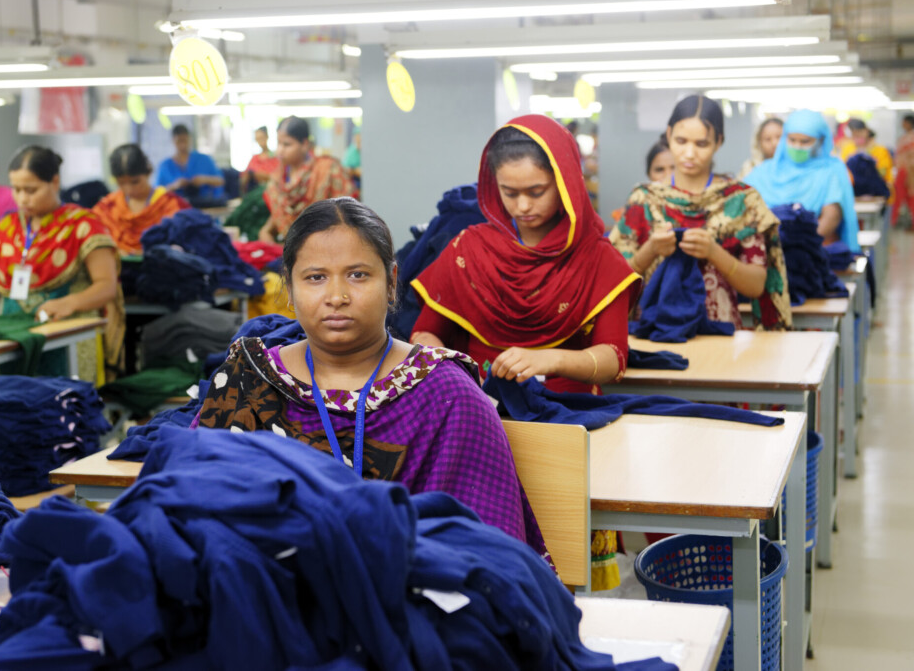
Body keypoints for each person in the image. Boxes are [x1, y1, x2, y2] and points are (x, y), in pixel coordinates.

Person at [195, 196, 541, 551]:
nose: (337, 296)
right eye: (315, 278)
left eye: (358, 275)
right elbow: (193, 512)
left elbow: (491, 554)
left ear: (392, 282)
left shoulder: (448, 394)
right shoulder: (248, 381)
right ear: (289, 286)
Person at [409, 114, 639, 590]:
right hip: (480, 425)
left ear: (567, 183)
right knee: (491, 565)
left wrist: (550, 358)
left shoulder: (597, 258)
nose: (522, 205)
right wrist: (458, 371)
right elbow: (424, 336)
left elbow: (614, 358)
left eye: (536, 190)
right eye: (509, 192)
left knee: (565, 568)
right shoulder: (468, 247)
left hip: (569, 430)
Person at [0, 146, 120, 378]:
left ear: (55, 182)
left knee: (66, 407)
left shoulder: (83, 226)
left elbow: (106, 285)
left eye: (31, 190)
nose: (22, 198)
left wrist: (71, 302)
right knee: (12, 405)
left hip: (68, 338)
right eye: (17, 189)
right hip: (12, 341)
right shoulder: (5, 228)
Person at [610, 95, 792, 331]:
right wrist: (650, 251)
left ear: (719, 142)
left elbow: (757, 285)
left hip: (719, 336)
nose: (689, 153)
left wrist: (714, 253)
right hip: (654, 335)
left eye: (701, 144)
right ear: (668, 135)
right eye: (681, 140)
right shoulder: (643, 201)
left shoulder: (741, 201)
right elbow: (614, 281)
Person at [745, 109, 861, 253]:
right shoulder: (765, 171)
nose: (797, 146)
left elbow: (832, 216)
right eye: (792, 140)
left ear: (820, 140)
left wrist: (799, 246)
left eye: (805, 141)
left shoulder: (831, 171)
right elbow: (744, 206)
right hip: (767, 250)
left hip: (812, 251)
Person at [259, 116, 353, 242]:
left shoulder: (327, 170)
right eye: (278, 143)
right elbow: (270, 227)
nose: (280, 150)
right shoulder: (277, 180)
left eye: (286, 144)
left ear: (305, 144)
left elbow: (346, 218)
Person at [92, 144, 188, 255]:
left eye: (135, 182)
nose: (129, 190)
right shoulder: (108, 207)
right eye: (121, 183)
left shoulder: (171, 205)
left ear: (148, 173)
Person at [155, 124, 226, 205]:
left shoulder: (204, 159)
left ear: (190, 139)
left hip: (204, 205)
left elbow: (220, 181)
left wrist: (205, 179)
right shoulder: (164, 166)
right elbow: (156, 193)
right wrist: (174, 186)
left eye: (185, 140)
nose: (183, 145)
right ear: (173, 141)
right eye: (179, 141)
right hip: (176, 209)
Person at [238, 126, 279, 196]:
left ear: (267, 137)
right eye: (258, 139)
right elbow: (243, 178)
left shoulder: (275, 158)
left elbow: (277, 178)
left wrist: (262, 176)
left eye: (262, 138)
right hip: (254, 191)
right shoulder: (254, 158)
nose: (260, 141)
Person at [893, 114, 914, 226]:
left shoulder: (911, 138)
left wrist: (911, 178)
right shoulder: (905, 137)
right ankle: (893, 222)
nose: (902, 124)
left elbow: (912, 159)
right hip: (902, 171)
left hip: (908, 172)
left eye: (904, 122)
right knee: (898, 197)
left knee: (911, 198)